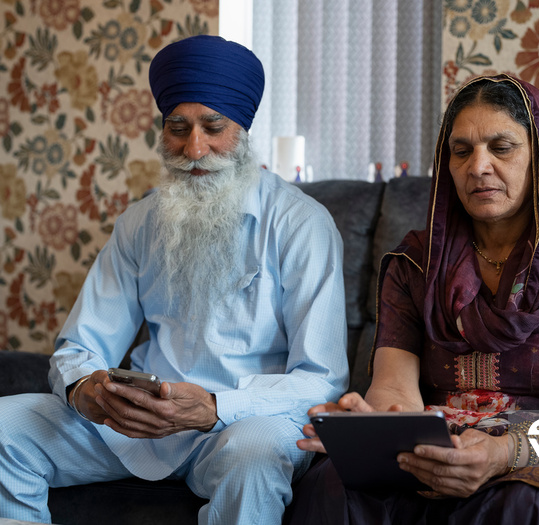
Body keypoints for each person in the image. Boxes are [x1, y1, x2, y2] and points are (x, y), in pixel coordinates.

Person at [284, 74, 539, 524]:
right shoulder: (416, 263)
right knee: (333, 485)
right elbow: (395, 389)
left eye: (501, 148)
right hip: (439, 445)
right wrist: (374, 425)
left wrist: (505, 452)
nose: (477, 167)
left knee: (523, 502)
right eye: (461, 151)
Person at [0, 35, 349, 525]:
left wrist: (213, 405)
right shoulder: (139, 223)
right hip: (140, 426)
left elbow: (323, 381)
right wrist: (88, 391)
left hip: (244, 424)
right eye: (178, 128)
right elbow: (79, 345)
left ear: (244, 131)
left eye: (213, 127)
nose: (195, 149)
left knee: (253, 454)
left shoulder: (301, 224)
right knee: (3, 426)